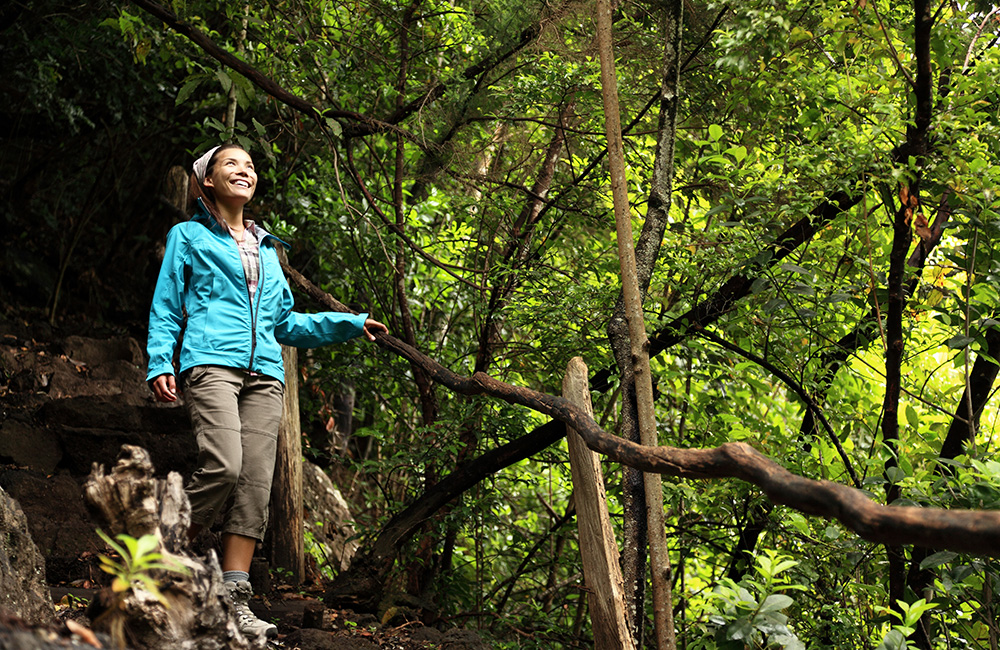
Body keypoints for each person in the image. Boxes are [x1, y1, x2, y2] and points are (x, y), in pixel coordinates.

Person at [146, 143, 387, 638]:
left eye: (250, 166)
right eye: (230, 163)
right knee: (224, 464)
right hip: (211, 360)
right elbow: (166, 303)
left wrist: (350, 324)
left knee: (255, 485)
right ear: (206, 181)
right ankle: (158, 559)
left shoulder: (269, 248)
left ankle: (234, 598)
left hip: (266, 375)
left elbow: (285, 323)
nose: (244, 170)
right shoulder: (187, 236)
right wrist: (158, 360)